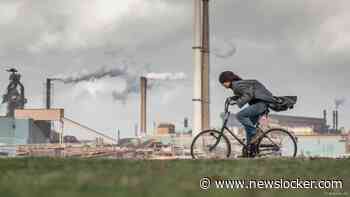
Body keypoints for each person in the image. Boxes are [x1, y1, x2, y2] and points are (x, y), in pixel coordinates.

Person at [219, 71, 275, 156]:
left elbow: (249, 94)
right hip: (261, 103)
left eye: (222, 83)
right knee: (249, 128)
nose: (223, 85)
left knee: (240, 115)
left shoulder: (236, 85)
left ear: (227, 80)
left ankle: (256, 132)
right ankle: (249, 152)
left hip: (261, 103)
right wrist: (232, 99)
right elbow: (244, 93)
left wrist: (237, 102)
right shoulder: (237, 85)